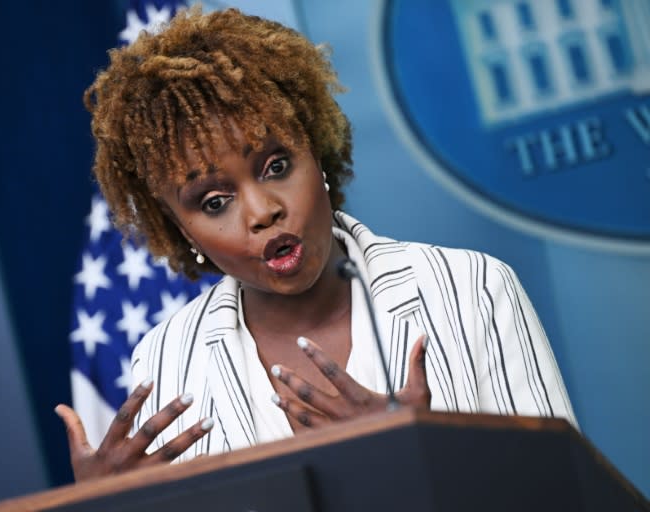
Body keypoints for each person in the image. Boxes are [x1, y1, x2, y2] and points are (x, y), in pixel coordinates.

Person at [55, 6, 577, 482]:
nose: (262, 212)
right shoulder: (166, 360)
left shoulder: (470, 290)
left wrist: (425, 454)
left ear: (318, 154)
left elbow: (566, 493)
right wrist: (111, 505)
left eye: (276, 167)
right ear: (178, 228)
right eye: (214, 201)